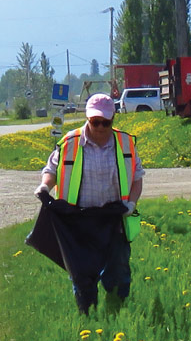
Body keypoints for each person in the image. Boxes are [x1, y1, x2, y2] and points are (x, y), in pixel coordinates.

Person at [32, 94, 144, 314]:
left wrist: (131, 204)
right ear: (87, 118)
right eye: (95, 121)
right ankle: (88, 317)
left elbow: (137, 178)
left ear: (113, 120)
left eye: (106, 122)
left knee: (118, 272)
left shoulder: (126, 144)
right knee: (82, 275)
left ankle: (118, 315)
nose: (100, 127)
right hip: (77, 221)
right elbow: (51, 171)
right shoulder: (69, 143)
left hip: (114, 220)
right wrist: (45, 186)